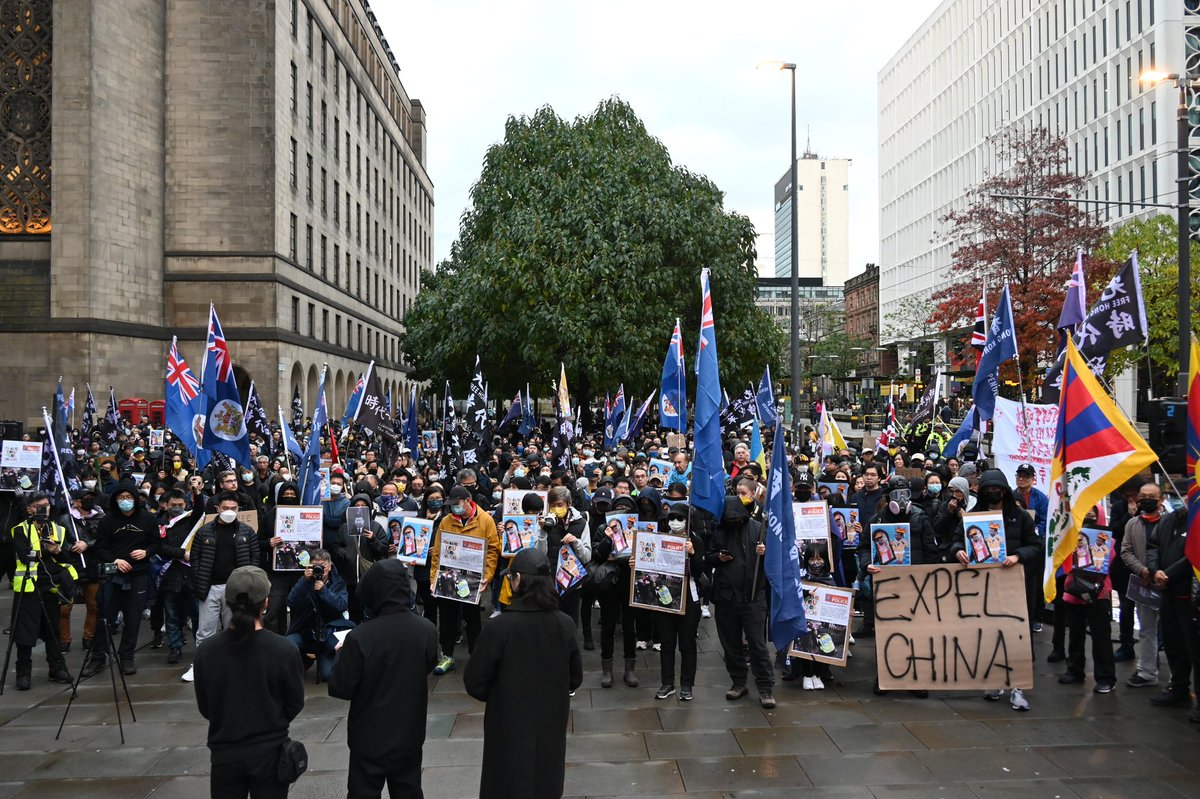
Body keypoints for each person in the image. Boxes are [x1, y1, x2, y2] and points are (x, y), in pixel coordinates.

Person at [464, 548, 583, 799]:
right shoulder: (565, 624)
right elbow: (575, 678)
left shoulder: (500, 627)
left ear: (518, 579)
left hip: (507, 726)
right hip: (550, 724)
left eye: (510, 578)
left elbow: (475, 682)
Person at [329, 558, 438, 798]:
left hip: (368, 736)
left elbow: (341, 687)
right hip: (409, 732)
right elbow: (428, 664)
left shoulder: (360, 637)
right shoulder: (426, 630)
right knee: (408, 790)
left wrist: (342, 656)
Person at [193, 566, 305, 799]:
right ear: (266, 603)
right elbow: (294, 703)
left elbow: (206, 707)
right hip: (270, 752)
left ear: (228, 601)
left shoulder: (206, 651)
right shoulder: (284, 650)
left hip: (225, 754)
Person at [951, 469, 1041, 712]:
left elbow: (1036, 546)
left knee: (1018, 635)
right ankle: (995, 681)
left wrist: (1017, 556)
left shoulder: (1020, 517)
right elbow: (957, 540)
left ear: (1004, 490)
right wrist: (958, 550)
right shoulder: (972, 516)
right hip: (984, 586)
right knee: (990, 633)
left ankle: (1018, 687)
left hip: (1016, 585)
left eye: (997, 489)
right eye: (988, 489)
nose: (993, 493)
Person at [709, 479, 775, 709]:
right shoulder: (719, 531)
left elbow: (776, 560)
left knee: (757, 644)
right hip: (726, 597)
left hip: (754, 596)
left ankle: (765, 686)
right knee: (731, 644)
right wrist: (717, 557)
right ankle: (738, 682)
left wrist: (765, 552)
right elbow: (707, 556)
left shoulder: (758, 529)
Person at [84, 479, 161, 677]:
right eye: (121, 498)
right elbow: (99, 547)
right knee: (105, 617)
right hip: (114, 575)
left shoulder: (148, 519)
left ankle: (126, 657)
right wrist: (116, 560)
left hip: (139, 574)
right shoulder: (108, 521)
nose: (125, 501)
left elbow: (156, 544)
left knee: (133, 618)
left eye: (128, 497)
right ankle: (98, 657)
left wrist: (146, 552)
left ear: (135, 499)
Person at [181, 492, 261, 683]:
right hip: (209, 588)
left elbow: (255, 556)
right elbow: (195, 558)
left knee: (234, 628)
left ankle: (234, 664)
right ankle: (201, 665)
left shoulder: (246, 531)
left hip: (235, 590)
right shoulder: (205, 531)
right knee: (205, 631)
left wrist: (248, 581)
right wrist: (200, 579)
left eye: (233, 508)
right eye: (225, 508)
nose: (229, 512)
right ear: (217, 509)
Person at [428, 485, 500, 674]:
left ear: (468, 501)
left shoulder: (485, 520)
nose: (454, 508)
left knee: (473, 619)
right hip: (448, 576)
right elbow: (437, 552)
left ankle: (476, 656)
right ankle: (447, 656)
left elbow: (493, 550)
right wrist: (433, 578)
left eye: (457, 504)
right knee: (447, 618)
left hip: (473, 578)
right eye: (451, 505)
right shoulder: (446, 521)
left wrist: (487, 576)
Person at [7, 493, 73, 690]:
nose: (43, 510)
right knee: (24, 632)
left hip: (50, 585)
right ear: (29, 509)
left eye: (46, 505)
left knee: (53, 629)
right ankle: (23, 671)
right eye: (38, 506)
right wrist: (47, 551)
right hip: (28, 586)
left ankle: (57, 667)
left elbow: (66, 558)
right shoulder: (20, 530)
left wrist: (58, 552)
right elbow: (25, 555)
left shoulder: (57, 529)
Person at [1145, 504, 1200, 717]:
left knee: (1195, 650)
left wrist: (1168, 573)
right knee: (1173, 644)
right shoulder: (1169, 520)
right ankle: (1178, 689)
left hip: (1190, 596)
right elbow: (1153, 546)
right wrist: (1154, 569)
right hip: (1167, 594)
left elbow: (1193, 556)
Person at [1057, 506, 1116, 694]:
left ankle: (1106, 677)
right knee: (1075, 633)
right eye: (1086, 511)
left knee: (1101, 637)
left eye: (1093, 512)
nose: (1089, 515)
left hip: (1099, 594)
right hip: (1073, 591)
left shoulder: (1110, 540)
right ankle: (1074, 669)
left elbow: (1109, 561)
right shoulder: (1070, 538)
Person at [652, 504, 706, 701]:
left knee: (687, 644)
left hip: (688, 598)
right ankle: (667, 683)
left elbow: (700, 570)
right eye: (671, 519)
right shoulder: (660, 538)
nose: (675, 523)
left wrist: (692, 553)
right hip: (665, 597)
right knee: (666, 643)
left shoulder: (696, 540)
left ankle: (686, 685)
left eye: (679, 519)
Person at [1119, 482, 1166, 689]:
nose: (1146, 499)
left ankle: (1178, 679)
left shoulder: (1170, 522)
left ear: (1161, 500)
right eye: (1143, 495)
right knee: (1146, 630)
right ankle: (1147, 672)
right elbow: (1126, 551)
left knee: (1175, 633)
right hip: (1144, 584)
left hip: (1168, 584)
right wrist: (1142, 570)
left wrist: (1164, 573)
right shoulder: (1132, 524)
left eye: (1151, 496)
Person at [286, 548, 352, 682]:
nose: (319, 569)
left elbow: (341, 605)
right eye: (315, 566)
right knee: (288, 644)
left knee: (328, 675)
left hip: (328, 633)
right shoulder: (304, 581)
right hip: (306, 631)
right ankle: (303, 661)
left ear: (329, 566)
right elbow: (291, 601)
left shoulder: (338, 583)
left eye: (322, 566)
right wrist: (305, 580)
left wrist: (323, 591)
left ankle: (327, 658)